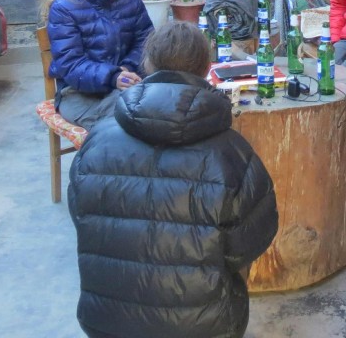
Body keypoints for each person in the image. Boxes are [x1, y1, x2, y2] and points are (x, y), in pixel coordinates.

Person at [68, 21, 279, 338]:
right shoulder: (233, 153)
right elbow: (252, 241)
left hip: (107, 321)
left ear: (148, 64)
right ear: (207, 68)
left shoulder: (96, 140)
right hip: (205, 326)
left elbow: (81, 216)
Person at [43, 0, 153, 130]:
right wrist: (112, 77)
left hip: (128, 84)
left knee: (159, 107)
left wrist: (126, 69)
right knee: (125, 121)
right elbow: (71, 64)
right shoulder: (65, 7)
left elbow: (146, 40)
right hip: (79, 94)